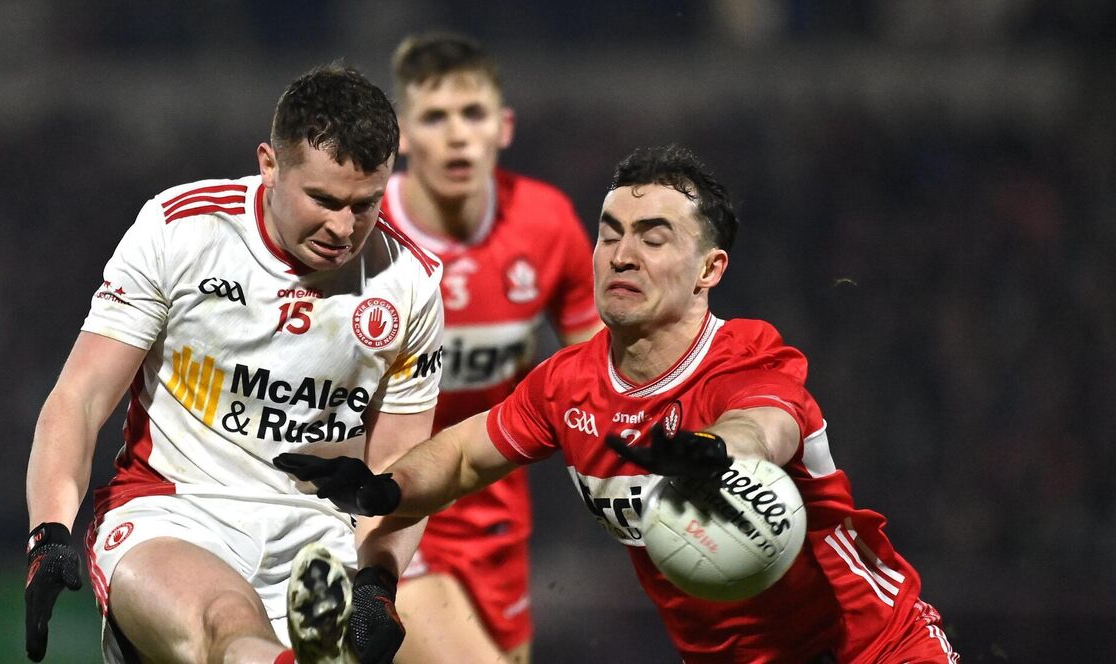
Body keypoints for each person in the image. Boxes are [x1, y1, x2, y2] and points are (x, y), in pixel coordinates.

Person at [274, 145, 960, 662]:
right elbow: (460, 457)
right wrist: (385, 487)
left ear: (710, 270)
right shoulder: (568, 383)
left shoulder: (747, 355)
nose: (621, 255)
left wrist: (717, 454)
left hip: (877, 649)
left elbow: (766, 425)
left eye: (653, 238)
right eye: (609, 233)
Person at [24, 64, 444, 664]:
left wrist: (378, 582)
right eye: (323, 200)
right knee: (225, 619)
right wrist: (49, 531)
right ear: (269, 165)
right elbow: (80, 398)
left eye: (365, 205)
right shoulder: (183, 230)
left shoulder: (410, 285)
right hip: (172, 514)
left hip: (316, 550)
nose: (342, 228)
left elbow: (397, 469)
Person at [381, 32, 603, 664]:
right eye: (435, 117)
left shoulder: (546, 223)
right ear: (402, 134)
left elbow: (602, 377)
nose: (458, 136)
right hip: (387, 512)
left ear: (503, 127)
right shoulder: (362, 232)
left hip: (495, 516)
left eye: (473, 114)